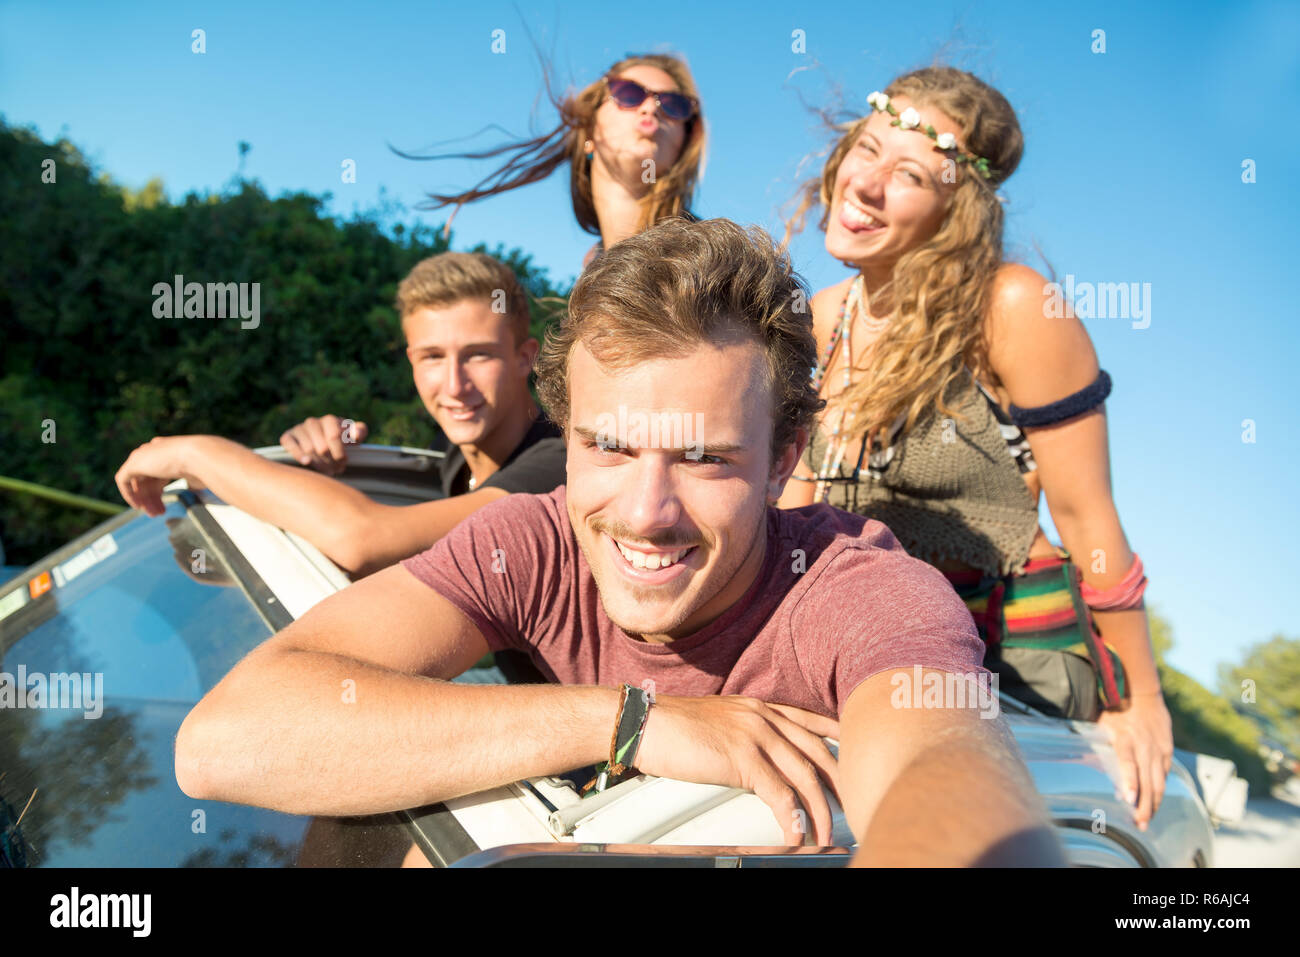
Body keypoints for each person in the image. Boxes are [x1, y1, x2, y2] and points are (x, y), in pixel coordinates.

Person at [173, 218, 1065, 866]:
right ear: (570, 433)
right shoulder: (534, 540)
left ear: (781, 458)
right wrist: (629, 720)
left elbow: (952, 786)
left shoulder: (854, 589)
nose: (644, 513)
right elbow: (223, 740)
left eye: (704, 457)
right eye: (607, 446)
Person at [776, 66, 1172, 832]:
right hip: (879, 645)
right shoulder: (821, 319)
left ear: (957, 207)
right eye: (867, 148)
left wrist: (1143, 701)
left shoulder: (1012, 306)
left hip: (1015, 653)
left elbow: (1089, 519)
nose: (867, 183)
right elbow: (794, 519)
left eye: (912, 173)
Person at [115, 252, 565, 580]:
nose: (453, 385)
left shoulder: (558, 463)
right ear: (410, 359)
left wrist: (196, 452)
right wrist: (329, 454)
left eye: (478, 356)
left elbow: (364, 541)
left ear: (526, 358)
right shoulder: (453, 461)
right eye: (432, 357)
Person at [402, 52, 705, 270]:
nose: (650, 110)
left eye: (673, 105)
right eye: (628, 94)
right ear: (588, 129)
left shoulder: (713, 260)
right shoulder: (591, 275)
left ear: (684, 143)